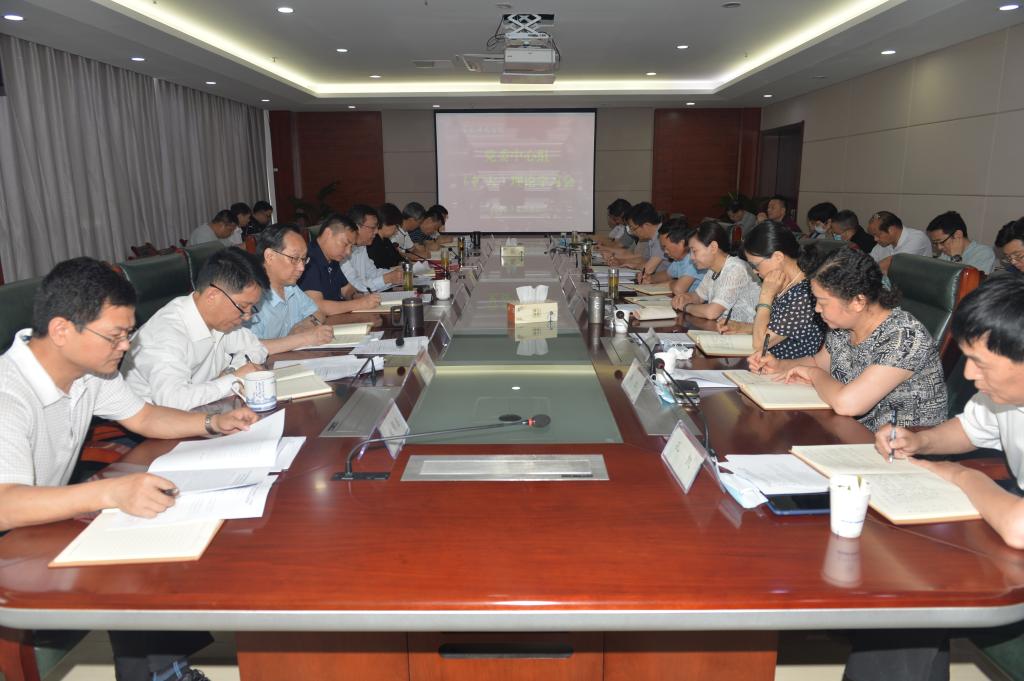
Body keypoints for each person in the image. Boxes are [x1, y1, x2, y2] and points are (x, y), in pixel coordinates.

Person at [0, 257, 257, 681]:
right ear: (62, 330)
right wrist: (110, 493)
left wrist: (212, 422)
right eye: (115, 336)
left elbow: (144, 416)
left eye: (128, 334)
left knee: (149, 531)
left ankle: (167, 670)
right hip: (11, 533)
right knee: (126, 550)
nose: (125, 346)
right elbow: (5, 506)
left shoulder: (89, 373)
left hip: (36, 522)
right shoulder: (8, 394)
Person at [846, 276, 1024, 681]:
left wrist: (959, 474)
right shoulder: (1005, 395)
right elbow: (970, 429)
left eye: (981, 363)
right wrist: (920, 440)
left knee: (922, 593)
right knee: (911, 579)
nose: (970, 375)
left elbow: (1019, 527)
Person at [750, 248, 947, 431]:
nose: (817, 309)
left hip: (900, 445)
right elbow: (820, 362)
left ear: (857, 301)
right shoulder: (844, 325)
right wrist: (780, 365)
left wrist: (812, 374)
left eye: (822, 302)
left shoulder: (905, 337)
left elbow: (848, 404)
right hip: (851, 431)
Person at [122, 248, 270, 410]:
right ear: (212, 296)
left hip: (205, 409)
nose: (247, 316)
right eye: (242, 306)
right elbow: (173, 400)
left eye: (251, 307)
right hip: (154, 420)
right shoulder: (165, 334)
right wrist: (233, 380)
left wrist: (231, 371)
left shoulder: (221, 322)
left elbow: (256, 348)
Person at [721, 221, 825, 360]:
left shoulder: (805, 294)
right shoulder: (785, 283)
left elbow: (760, 344)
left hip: (790, 369)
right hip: (770, 364)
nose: (754, 270)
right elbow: (775, 327)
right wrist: (742, 327)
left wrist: (766, 296)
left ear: (778, 257)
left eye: (756, 264)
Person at [247, 224, 333, 353]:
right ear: (270, 256)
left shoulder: (290, 287)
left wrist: (303, 326)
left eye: (303, 260)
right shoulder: (249, 296)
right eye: (295, 258)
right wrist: (304, 338)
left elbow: (318, 312)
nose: (302, 268)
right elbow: (249, 348)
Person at [670, 221, 760, 323]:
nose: (691, 257)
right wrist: (684, 298)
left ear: (713, 247)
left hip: (746, 330)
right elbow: (698, 296)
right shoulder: (712, 270)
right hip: (724, 328)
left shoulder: (735, 268)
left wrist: (686, 307)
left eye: (694, 251)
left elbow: (712, 313)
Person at [298, 214, 381, 315]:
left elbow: (346, 289)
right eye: (345, 244)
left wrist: (357, 296)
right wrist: (359, 304)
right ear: (328, 234)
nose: (348, 252)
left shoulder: (333, 258)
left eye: (351, 247)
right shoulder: (307, 259)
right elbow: (317, 306)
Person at [341, 204, 403, 292]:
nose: (376, 231)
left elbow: (372, 273)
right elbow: (354, 287)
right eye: (373, 227)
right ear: (356, 227)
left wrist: (395, 274)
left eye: (377, 227)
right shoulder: (341, 251)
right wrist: (387, 279)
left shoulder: (362, 246)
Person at [925, 211, 996, 274]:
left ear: (958, 235)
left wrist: (956, 257)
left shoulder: (983, 253)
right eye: (935, 243)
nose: (939, 247)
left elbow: (968, 282)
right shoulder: (946, 253)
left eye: (941, 242)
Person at [866, 210, 931, 274]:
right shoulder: (883, 243)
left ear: (891, 229)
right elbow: (867, 263)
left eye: (877, 235)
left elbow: (893, 263)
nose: (875, 239)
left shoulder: (917, 237)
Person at [661, 222, 706, 294]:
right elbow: (667, 275)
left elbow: (678, 289)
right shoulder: (679, 258)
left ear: (681, 243)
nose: (665, 251)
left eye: (665, 247)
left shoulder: (694, 260)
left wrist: (670, 283)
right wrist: (650, 278)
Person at [368, 203, 405, 269]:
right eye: (396, 226)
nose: (397, 231)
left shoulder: (386, 240)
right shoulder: (372, 242)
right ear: (385, 223)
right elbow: (379, 267)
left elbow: (399, 259)